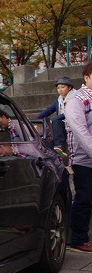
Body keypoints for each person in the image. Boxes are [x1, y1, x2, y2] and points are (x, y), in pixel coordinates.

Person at [64, 62, 92, 253]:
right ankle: (78, 240)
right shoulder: (77, 100)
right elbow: (80, 132)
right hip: (84, 159)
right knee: (84, 197)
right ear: (86, 77)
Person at [36, 76, 77, 162]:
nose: (60, 90)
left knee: (56, 121)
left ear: (69, 88)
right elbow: (49, 110)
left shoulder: (75, 97)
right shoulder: (59, 99)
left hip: (74, 122)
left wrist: (54, 119)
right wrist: (37, 118)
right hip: (63, 123)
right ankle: (58, 151)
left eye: (62, 87)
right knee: (53, 125)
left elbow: (69, 112)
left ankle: (60, 146)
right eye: (58, 88)